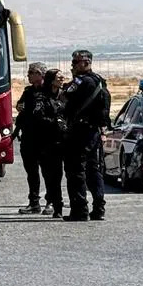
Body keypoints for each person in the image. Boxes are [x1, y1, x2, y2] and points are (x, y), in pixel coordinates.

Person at [61, 50, 110, 221]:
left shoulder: (81, 81)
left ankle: (79, 210)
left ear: (86, 62)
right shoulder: (100, 81)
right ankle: (99, 208)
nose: (72, 65)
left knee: (75, 171)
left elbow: (65, 97)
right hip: (94, 132)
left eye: (75, 62)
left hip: (79, 132)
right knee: (93, 170)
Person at [33, 68, 68, 217]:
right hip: (47, 142)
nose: (62, 79)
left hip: (64, 140)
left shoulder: (65, 96)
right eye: (58, 77)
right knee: (51, 176)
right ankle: (55, 204)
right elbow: (38, 117)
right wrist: (54, 122)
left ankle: (59, 204)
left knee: (62, 174)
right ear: (51, 80)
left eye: (62, 77)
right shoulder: (41, 97)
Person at [14, 62, 48, 214]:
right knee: (32, 173)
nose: (28, 75)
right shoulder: (28, 91)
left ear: (40, 74)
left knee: (49, 172)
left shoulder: (50, 91)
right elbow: (20, 106)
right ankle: (34, 202)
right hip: (28, 137)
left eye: (31, 73)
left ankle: (51, 201)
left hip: (45, 138)